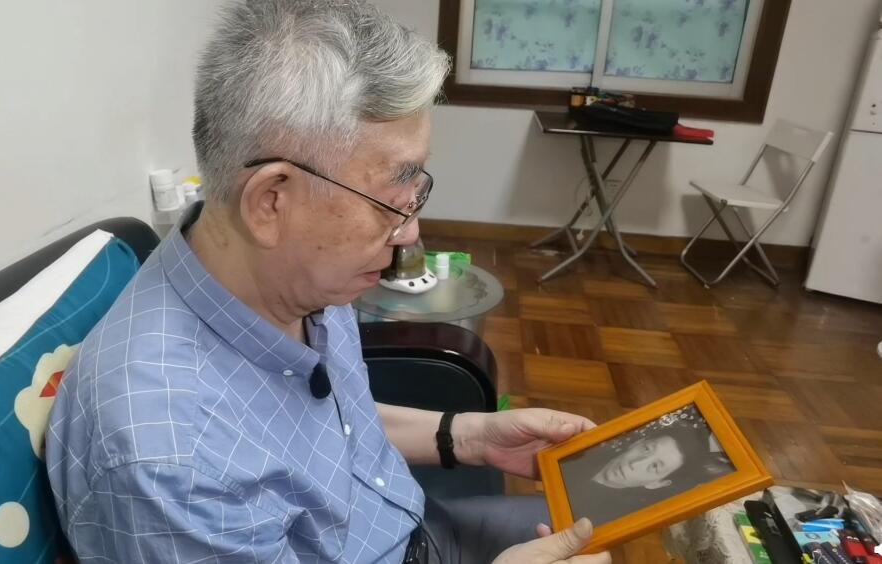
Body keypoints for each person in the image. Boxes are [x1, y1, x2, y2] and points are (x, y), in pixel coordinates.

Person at [45, 1, 611, 563]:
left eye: (415, 189)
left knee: (609, 519)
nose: (410, 233)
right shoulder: (174, 459)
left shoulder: (295, 275)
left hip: (411, 523)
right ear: (271, 201)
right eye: (391, 201)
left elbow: (324, 428)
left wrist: (470, 436)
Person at [560, 424, 733, 527]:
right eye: (646, 449)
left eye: (655, 466)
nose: (635, 463)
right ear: (638, 442)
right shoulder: (579, 450)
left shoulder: (604, 521)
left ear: (657, 483)